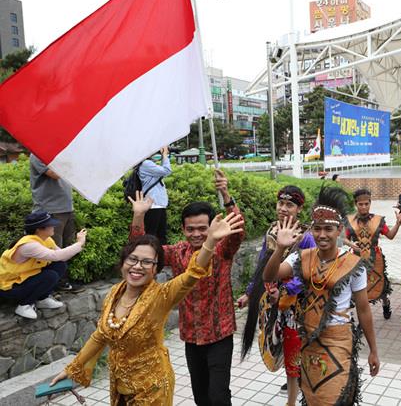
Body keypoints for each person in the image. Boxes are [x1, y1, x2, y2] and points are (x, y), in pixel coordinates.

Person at [50, 215, 244, 404]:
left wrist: (210, 241)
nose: (137, 266)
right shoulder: (114, 294)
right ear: (123, 262)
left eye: (147, 262)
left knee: (217, 396)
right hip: (120, 388)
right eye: (132, 259)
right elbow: (100, 335)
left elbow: (192, 274)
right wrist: (72, 368)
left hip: (152, 389)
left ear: (155, 268)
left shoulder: (161, 296)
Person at [129, 170, 244, 406]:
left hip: (219, 334)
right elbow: (140, 251)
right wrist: (139, 217)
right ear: (183, 229)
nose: (197, 234)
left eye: (202, 228)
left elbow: (238, 229)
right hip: (191, 336)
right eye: (190, 229)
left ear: (212, 226)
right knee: (200, 396)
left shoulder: (222, 249)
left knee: (219, 396)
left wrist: (225, 193)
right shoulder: (177, 252)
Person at [262, 187, 380, 405]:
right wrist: (280, 248)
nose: (322, 235)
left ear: (339, 231)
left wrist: (373, 350)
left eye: (328, 229)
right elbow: (269, 275)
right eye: (317, 229)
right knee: (312, 396)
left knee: (335, 398)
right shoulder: (301, 257)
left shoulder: (354, 264)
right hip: (308, 340)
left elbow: (363, 309)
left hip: (339, 340)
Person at [238, 186, 314, 406]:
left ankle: (295, 398)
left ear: (299, 208)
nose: (283, 208)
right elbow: (262, 265)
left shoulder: (306, 237)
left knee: (295, 352)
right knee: (282, 348)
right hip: (273, 304)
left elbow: (310, 275)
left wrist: (285, 291)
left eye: (289, 205)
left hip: (297, 307)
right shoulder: (272, 230)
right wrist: (250, 293)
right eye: (280, 203)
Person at [0, 212, 86, 319]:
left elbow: (62, 257)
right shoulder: (28, 245)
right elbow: (55, 255)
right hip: (9, 287)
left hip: (23, 280)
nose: (54, 226)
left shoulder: (46, 239)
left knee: (60, 265)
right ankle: (25, 305)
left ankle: (42, 299)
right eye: (50, 224)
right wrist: (79, 243)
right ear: (39, 229)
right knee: (50, 276)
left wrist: (79, 244)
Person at [344, 188, 401, 319]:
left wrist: (398, 223)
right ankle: (352, 312)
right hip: (356, 259)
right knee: (354, 286)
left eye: (366, 204)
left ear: (370, 203)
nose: (364, 207)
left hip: (375, 258)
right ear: (356, 204)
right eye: (360, 204)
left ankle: (385, 304)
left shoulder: (378, 220)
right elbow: (343, 238)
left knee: (379, 283)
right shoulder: (349, 220)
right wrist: (351, 244)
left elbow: (391, 236)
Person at [29, 154, 80, 292]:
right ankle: (51, 286)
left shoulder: (59, 153)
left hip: (67, 208)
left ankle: (62, 281)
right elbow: (55, 174)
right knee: (53, 249)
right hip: (49, 211)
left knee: (67, 247)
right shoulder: (37, 154)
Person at [138, 146, 172, 244]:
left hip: (158, 203)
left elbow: (162, 171)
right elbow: (167, 170)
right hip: (153, 204)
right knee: (152, 236)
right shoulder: (146, 164)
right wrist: (165, 155)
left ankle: (162, 257)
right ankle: (151, 257)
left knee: (161, 235)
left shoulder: (146, 164)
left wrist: (163, 157)